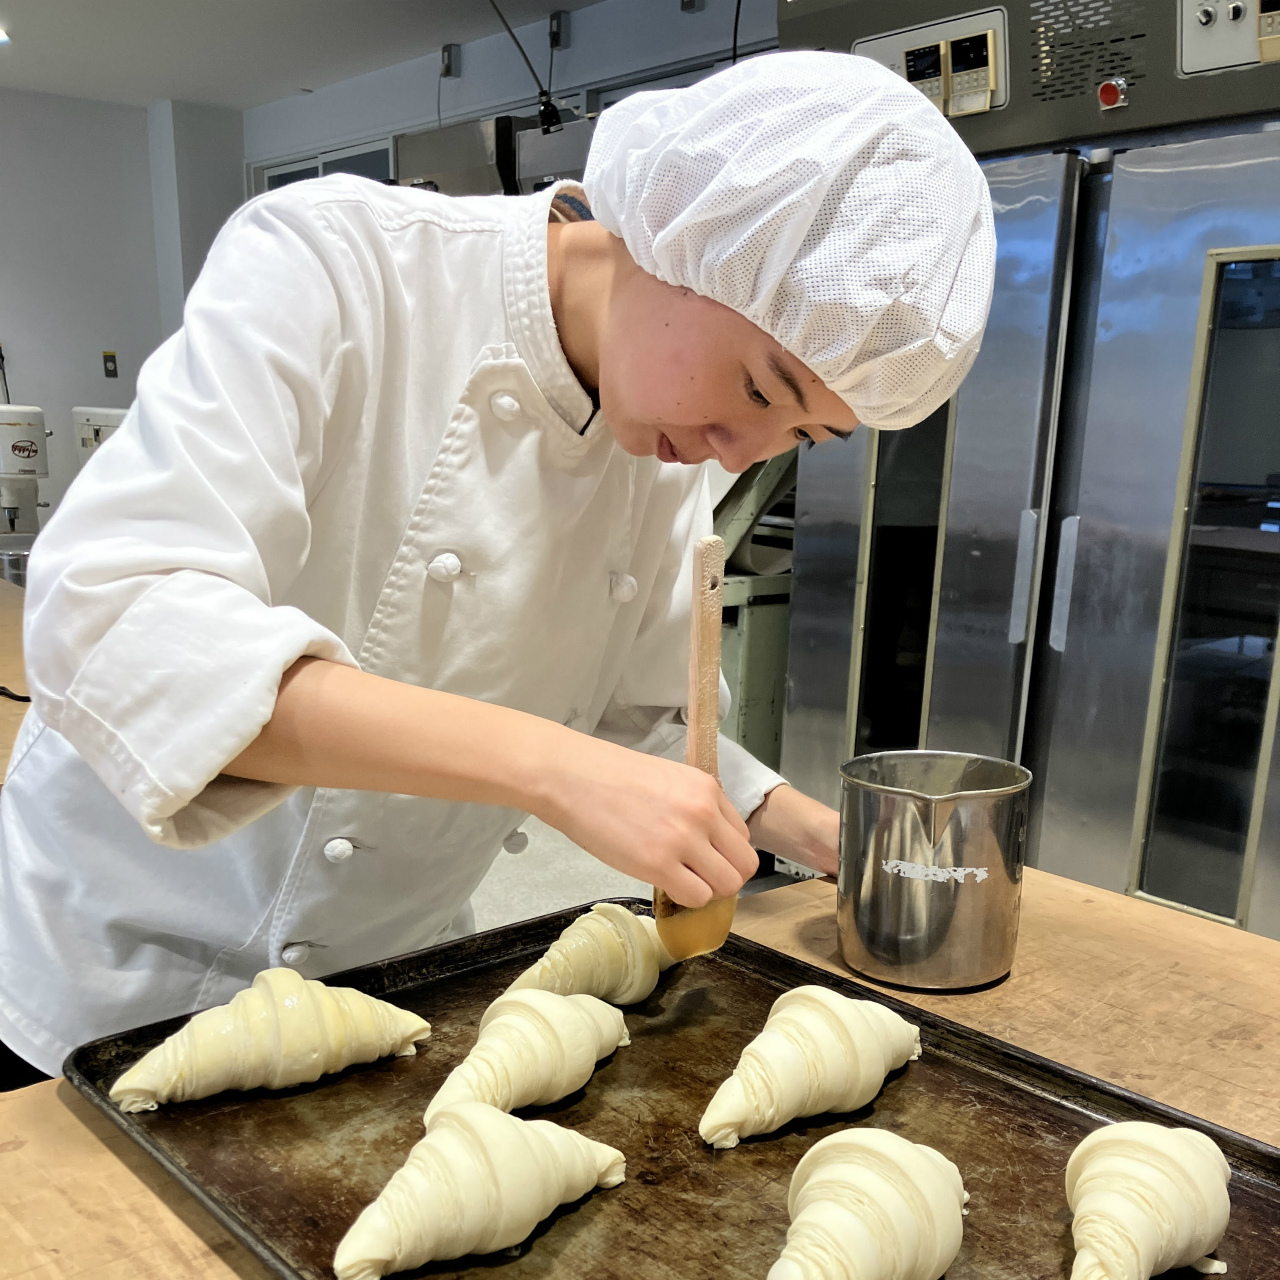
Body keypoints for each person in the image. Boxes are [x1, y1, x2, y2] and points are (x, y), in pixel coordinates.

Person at [0, 51, 995, 1076]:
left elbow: (640, 717)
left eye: (803, 435)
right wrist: (548, 767)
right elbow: (118, 620)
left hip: (388, 982)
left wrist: (808, 830)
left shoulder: (662, 431)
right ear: (678, 240)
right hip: (114, 974)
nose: (743, 453)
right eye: (758, 388)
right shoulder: (339, 265)